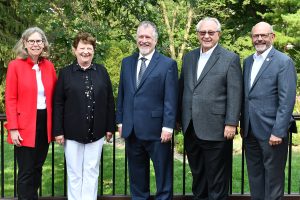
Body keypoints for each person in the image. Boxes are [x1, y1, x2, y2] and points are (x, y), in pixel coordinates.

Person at [178, 17, 243, 200]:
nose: (206, 36)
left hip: (217, 129)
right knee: (198, 177)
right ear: (197, 34)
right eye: (202, 32)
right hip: (191, 128)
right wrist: (178, 119)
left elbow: (235, 93)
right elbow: (183, 88)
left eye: (211, 32)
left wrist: (231, 122)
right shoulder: (189, 57)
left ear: (218, 35)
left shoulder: (230, 58)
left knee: (217, 181)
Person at [116, 21, 178, 200]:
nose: (144, 41)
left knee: (163, 178)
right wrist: (120, 121)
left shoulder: (167, 64)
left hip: (158, 132)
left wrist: (168, 126)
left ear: (155, 41)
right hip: (132, 130)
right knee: (137, 179)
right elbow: (122, 94)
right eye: (140, 37)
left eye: (147, 37)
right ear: (136, 39)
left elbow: (171, 98)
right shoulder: (127, 62)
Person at [52, 32, 115, 200]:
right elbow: (58, 103)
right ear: (75, 50)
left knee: (91, 171)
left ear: (93, 50)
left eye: (89, 48)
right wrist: (58, 131)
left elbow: (110, 100)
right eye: (82, 48)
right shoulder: (65, 73)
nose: (85, 51)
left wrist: (110, 127)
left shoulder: (102, 71)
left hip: (97, 131)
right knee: (74, 173)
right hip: (71, 133)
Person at [240, 22, 297, 200]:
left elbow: (287, 100)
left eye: (264, 35)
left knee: (273, 182)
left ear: (272, 37)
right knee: (255, 178)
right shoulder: (248, 61)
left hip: (272, 133)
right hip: (249, 131)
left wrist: (278, 131)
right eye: (256, 35)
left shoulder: (283, 61)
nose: (259, 39)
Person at [5, 27, 57, 200]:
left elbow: (56, 96)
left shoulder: (49, 67)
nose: (36, 44)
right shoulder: (15, 66)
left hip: (44, 124)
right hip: (25, 125)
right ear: (25, 43)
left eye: (39, 41)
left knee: (37, 168)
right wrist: (13, 128)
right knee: (26, 171)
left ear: (44, 44)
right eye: (32, 41)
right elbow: (10, 99)